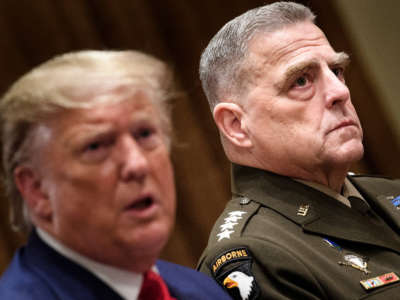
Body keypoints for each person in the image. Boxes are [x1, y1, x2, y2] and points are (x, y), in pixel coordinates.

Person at [197, 2, 400, 299]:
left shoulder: (388, 192)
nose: (340, 92)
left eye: (337, 70)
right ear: (237, 125)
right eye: (301, 81)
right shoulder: (255, 256)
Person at [0, 50, 231, 300]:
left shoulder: (203, 290)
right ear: (37, 190)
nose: (137, 164)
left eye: (144, 134)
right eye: (96, 146)